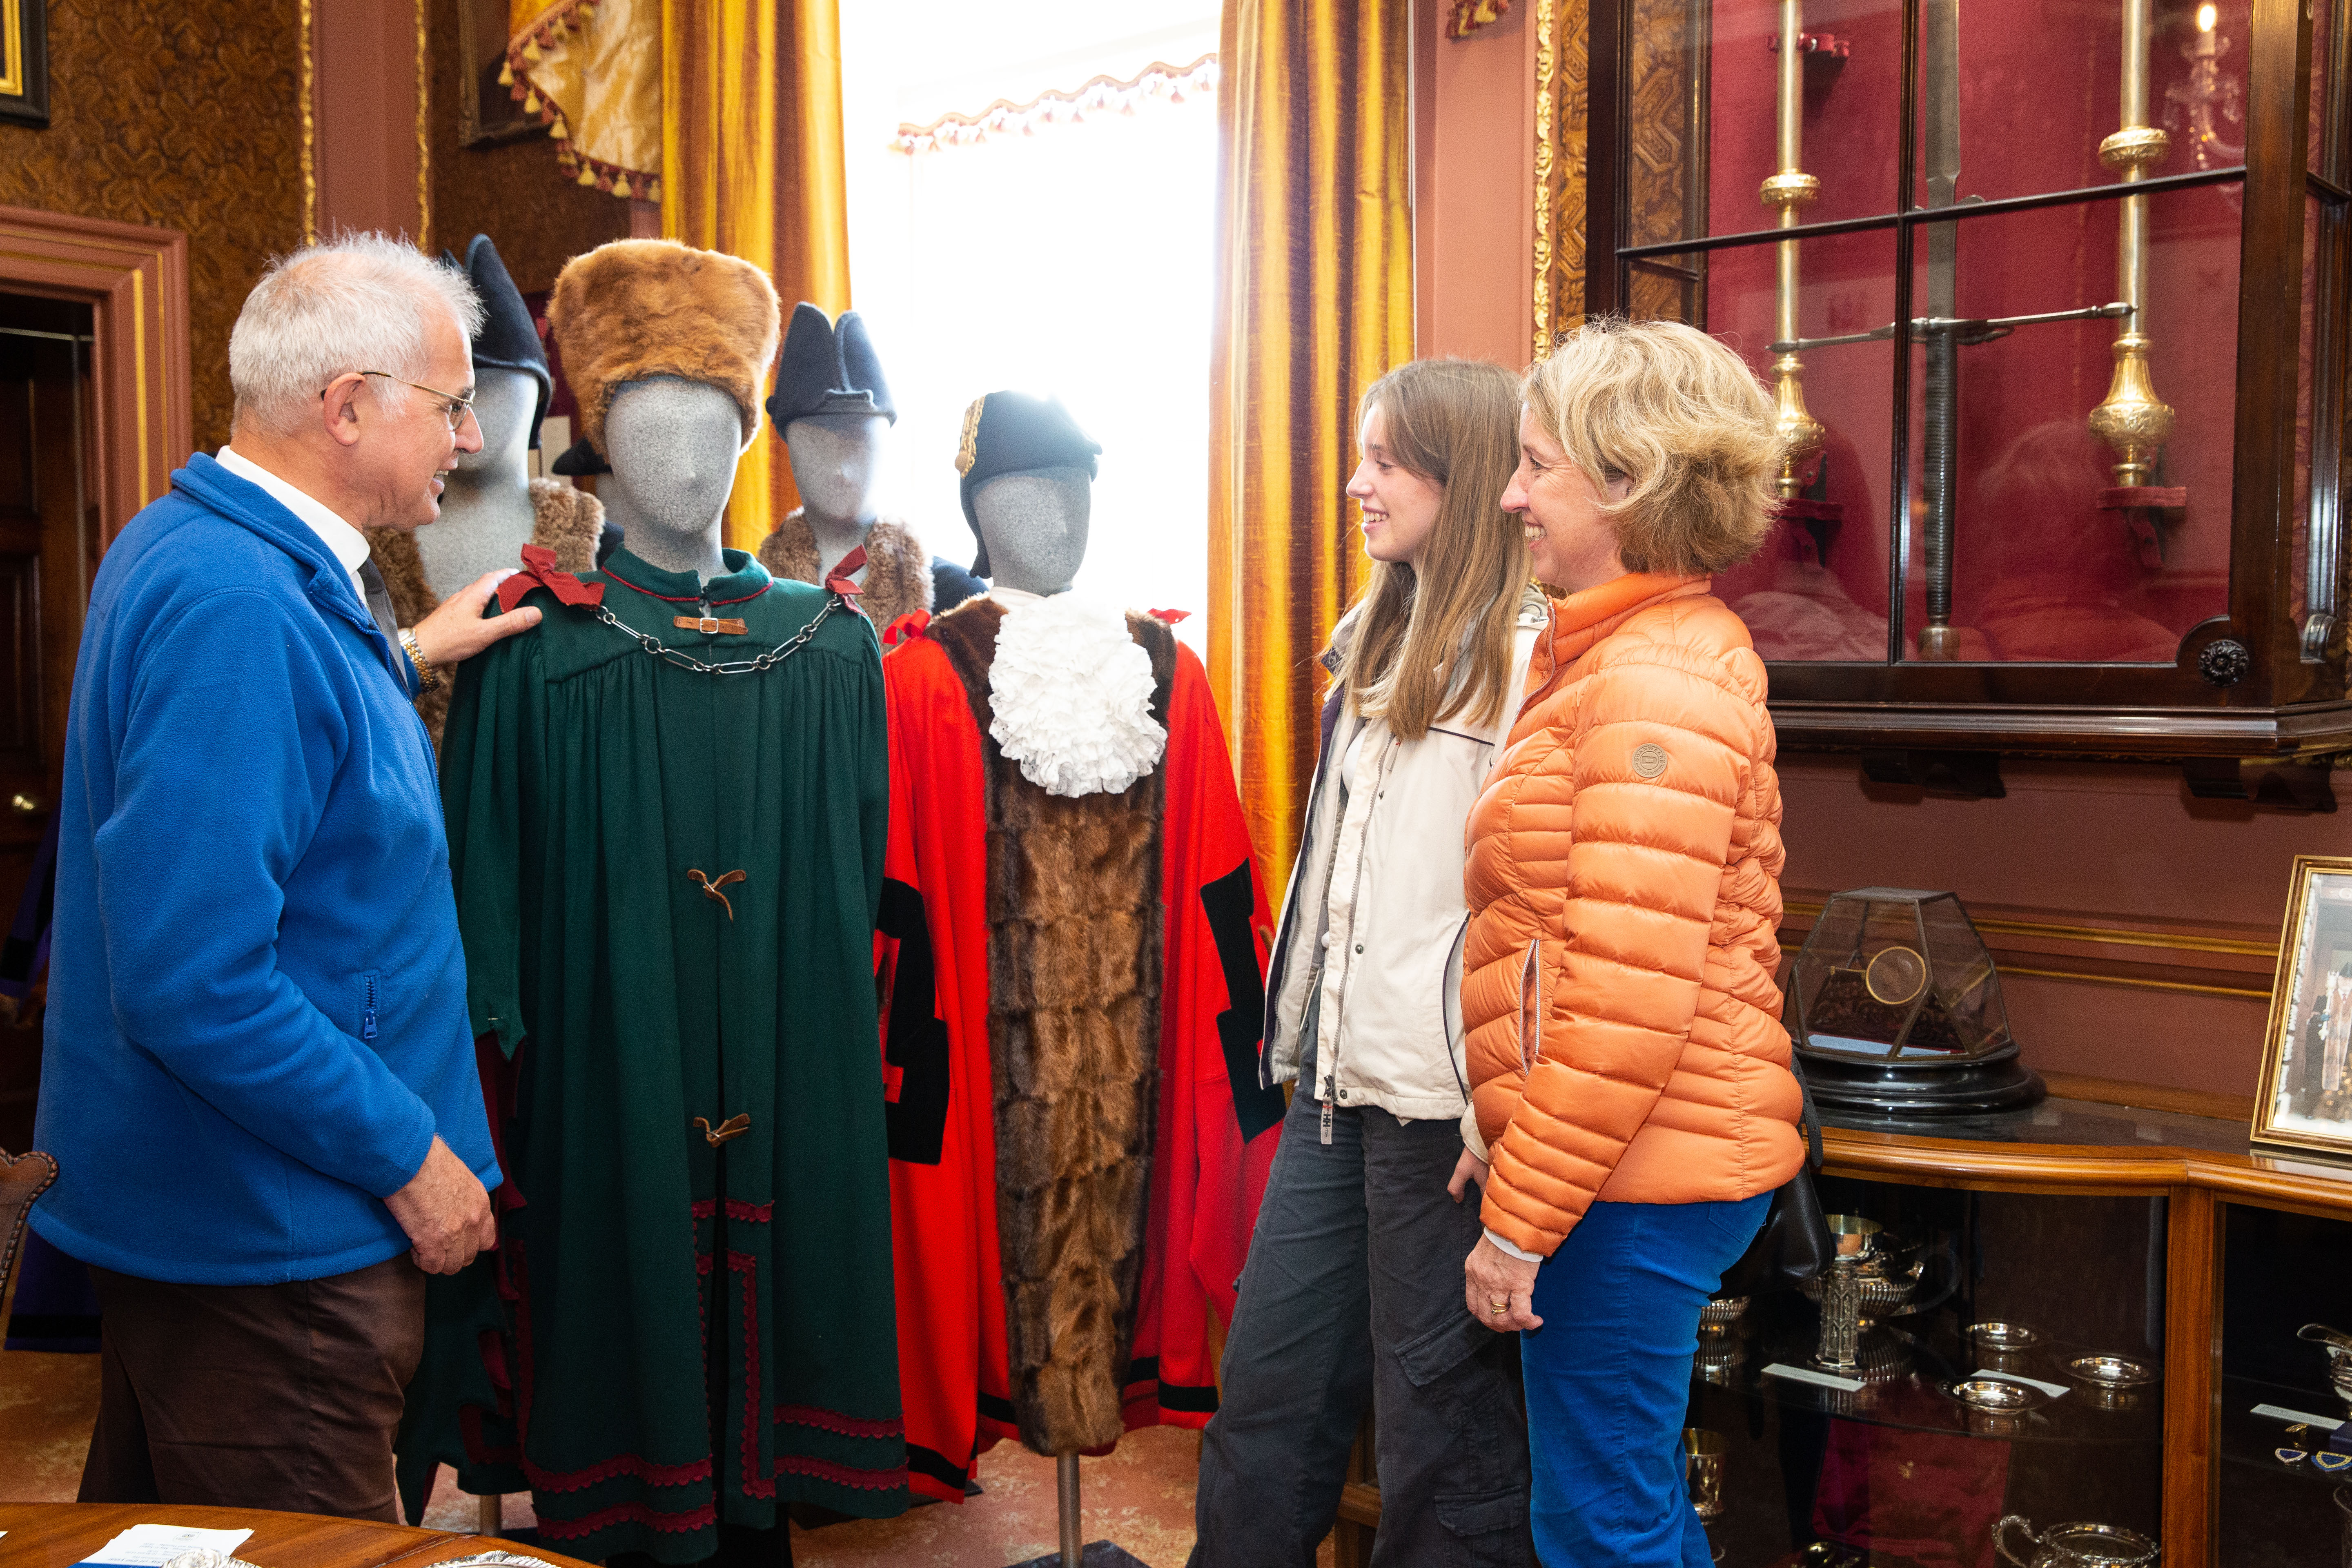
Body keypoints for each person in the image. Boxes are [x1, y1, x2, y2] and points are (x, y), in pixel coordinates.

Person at [29, 233, 543, 1519]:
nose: (470, 440)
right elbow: (194, 982)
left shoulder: (212, 547)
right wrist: (410, 1156)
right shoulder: (241, 607)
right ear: (348, 406)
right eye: (449, 404)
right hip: (272, 1252)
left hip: (218, 1229)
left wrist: (409, 656)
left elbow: (283, 769)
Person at [1457, 316, 1806, 1567]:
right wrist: (1504, 1139)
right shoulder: (1622, 652)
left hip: (1639, 1181)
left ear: (1628, 480)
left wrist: (1523, 1216)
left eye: (1536, 464)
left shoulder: (1654, 677)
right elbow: (1573, 953)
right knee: (1622, 1506)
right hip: (1619, 1162)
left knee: (1605, 1528)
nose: (1510, 495)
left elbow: (1625, 1006)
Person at [1193, 359, 1547, 1568]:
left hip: (1444, 1128)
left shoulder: (1529, 663)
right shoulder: (1375, 641)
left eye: (1386, 460)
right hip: (1331, 1099)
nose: (1359, 483)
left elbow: (1540, 914)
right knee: (1264, 1409)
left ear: (1467, 476)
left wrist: (1507, 1119)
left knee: (1441, 1449)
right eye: (1362, 455)